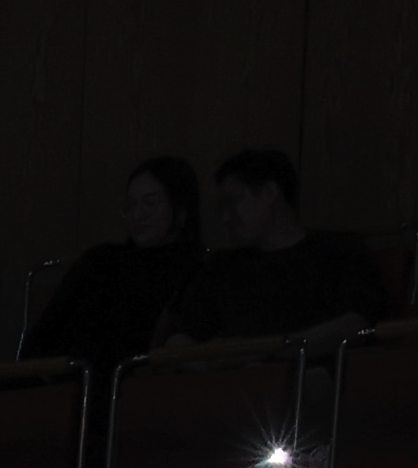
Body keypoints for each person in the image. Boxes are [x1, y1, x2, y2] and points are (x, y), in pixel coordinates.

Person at [171, 145, 391, 342]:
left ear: (269, 192)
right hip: (229, 380)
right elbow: (181, 337)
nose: (227, 217)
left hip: (311, 376)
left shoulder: (340, 252)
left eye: (233, 202)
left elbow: (360, 320)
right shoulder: (219, 267)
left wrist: (273, 353)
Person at [26, 155, 205, 373]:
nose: (138, 215)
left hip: (139, 391)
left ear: (180, 208)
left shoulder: (198, 272)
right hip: (66, 384)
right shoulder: (99, 261)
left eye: (150, 203)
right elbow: (44, 337)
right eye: (131, 204)